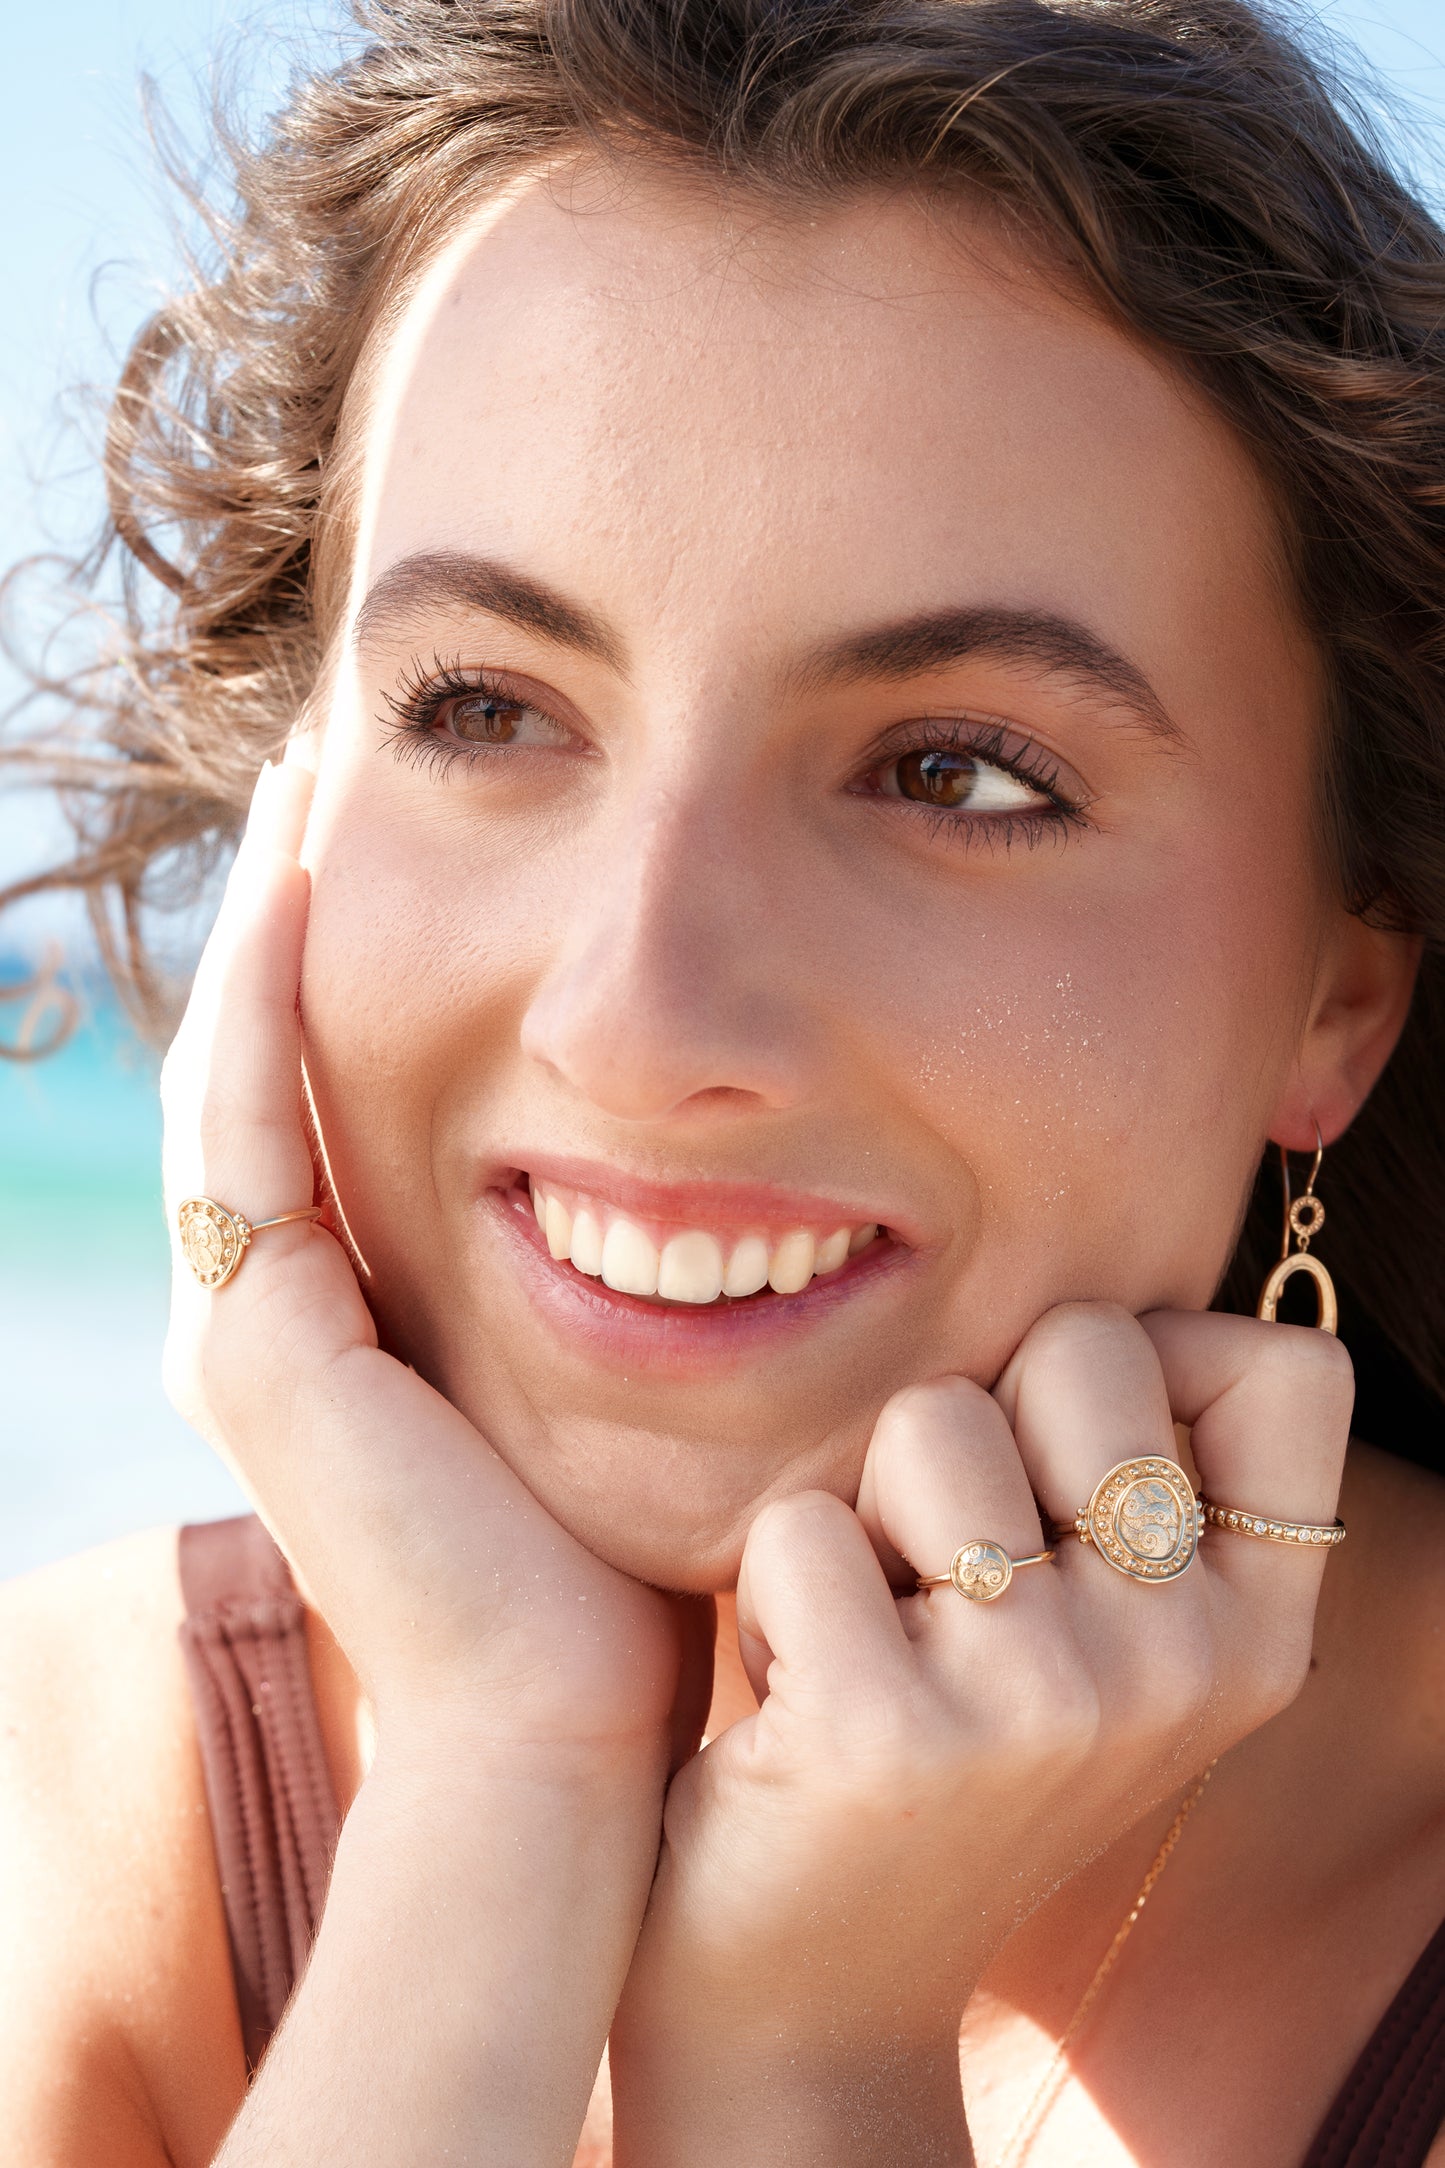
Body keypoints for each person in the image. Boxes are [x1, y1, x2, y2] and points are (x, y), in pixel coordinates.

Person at [2, 0, 1444, 2160]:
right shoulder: (61, 1824)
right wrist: (501, 1785)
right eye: (487, 708)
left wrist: (802, 2057)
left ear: (1341, 986)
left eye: (955, 772)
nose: (634, 1016)